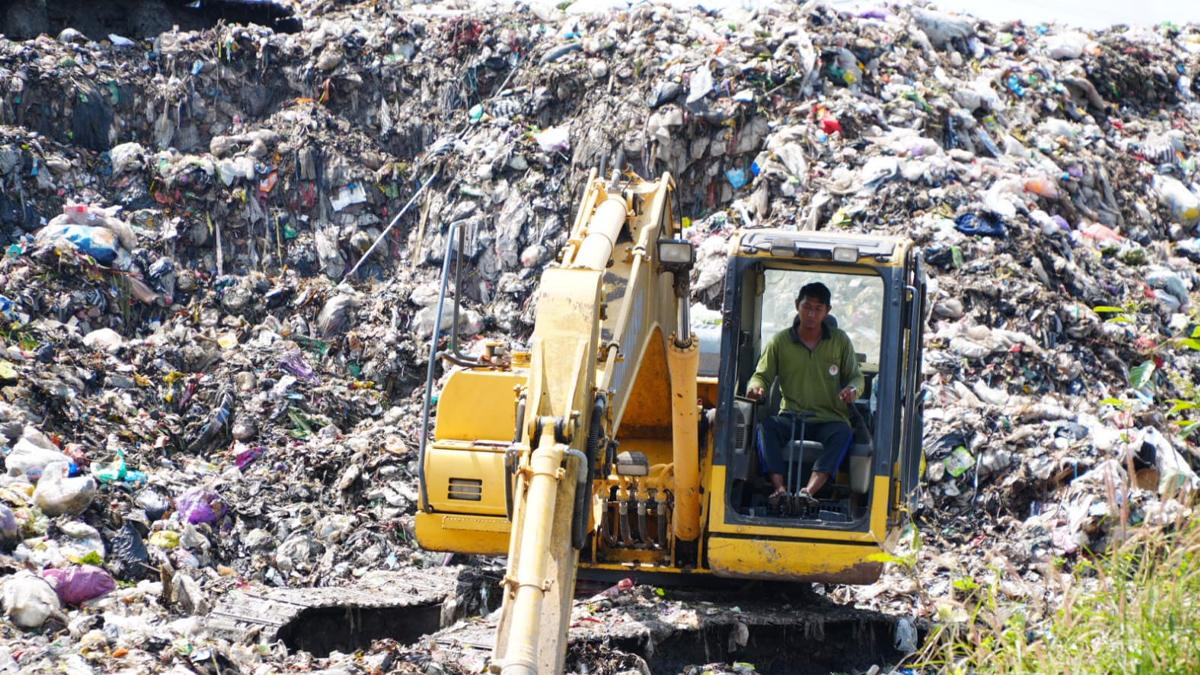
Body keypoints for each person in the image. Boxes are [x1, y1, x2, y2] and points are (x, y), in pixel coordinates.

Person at [746, 282, 864, 509]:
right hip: (792, 416)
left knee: (843, 433)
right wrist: (756, 388)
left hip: (829, 419)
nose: (811, 314)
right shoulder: (780, 342)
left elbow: (856, 378)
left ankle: (808, 492)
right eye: (807, 307)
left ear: (827, 311)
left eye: (818, 309)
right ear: (796, 306)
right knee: (766, 428)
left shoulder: (840, 341)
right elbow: (761, 376)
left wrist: (852, 390)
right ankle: (779, 489)